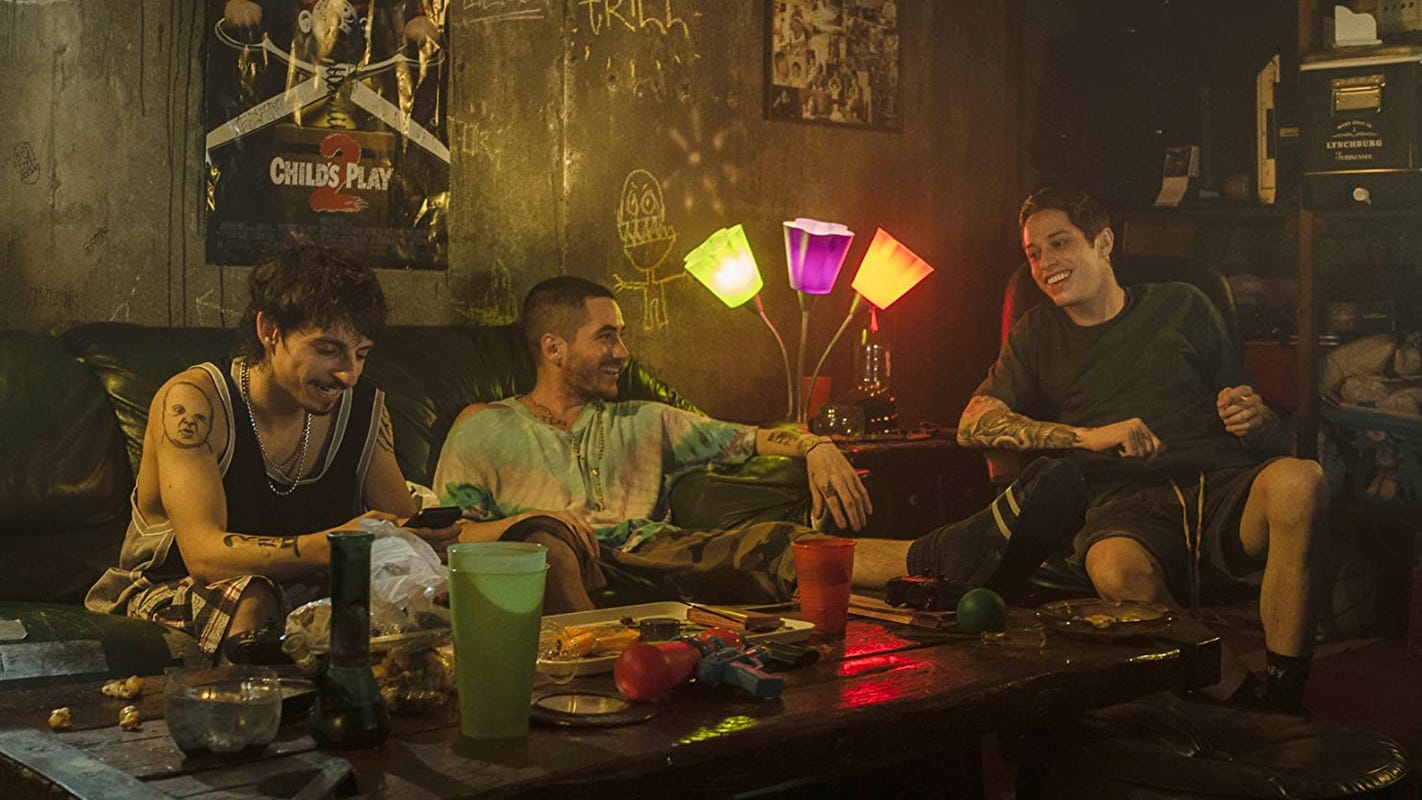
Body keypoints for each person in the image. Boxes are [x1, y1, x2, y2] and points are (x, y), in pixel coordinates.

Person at [432, 276, 1090, 615]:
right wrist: (539, 523)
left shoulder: (646, 420)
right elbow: (449, 534)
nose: (623, 352)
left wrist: (814, 447)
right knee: (547, 545)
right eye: (607, 336)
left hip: (655, 551)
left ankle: (952, 556)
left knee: (778, 541)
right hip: (555, 560)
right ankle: (586, 672)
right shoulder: (483, 426)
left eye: (623, 335)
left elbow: (749, 438)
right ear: (552, 347)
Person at [956, 187, 1326, 713]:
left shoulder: (1183, 303)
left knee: (1301, 480)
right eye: (1033, 254)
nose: (1044, 264)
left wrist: (1255, 417)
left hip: (1220, 486)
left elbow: (1263, 434)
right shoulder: (1036, 333)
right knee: (1115, 572)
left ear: (1103, 242)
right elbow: (972, 423)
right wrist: (1089, 436)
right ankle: (1247, 699)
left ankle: (1286, 697)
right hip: (1120, 505)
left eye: (1059, 243)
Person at [85, 247, 463, 659]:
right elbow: (203, 557)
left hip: (309, 587)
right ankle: (248, 703)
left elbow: (402, 534)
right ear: (270, 330)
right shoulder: (194, 404)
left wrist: (427, 541)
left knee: (421, 596)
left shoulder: (365, 409)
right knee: (253, 596)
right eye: (328, 349)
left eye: (361, 354)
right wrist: (331, 547)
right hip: (174, 587)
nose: (348, 374)